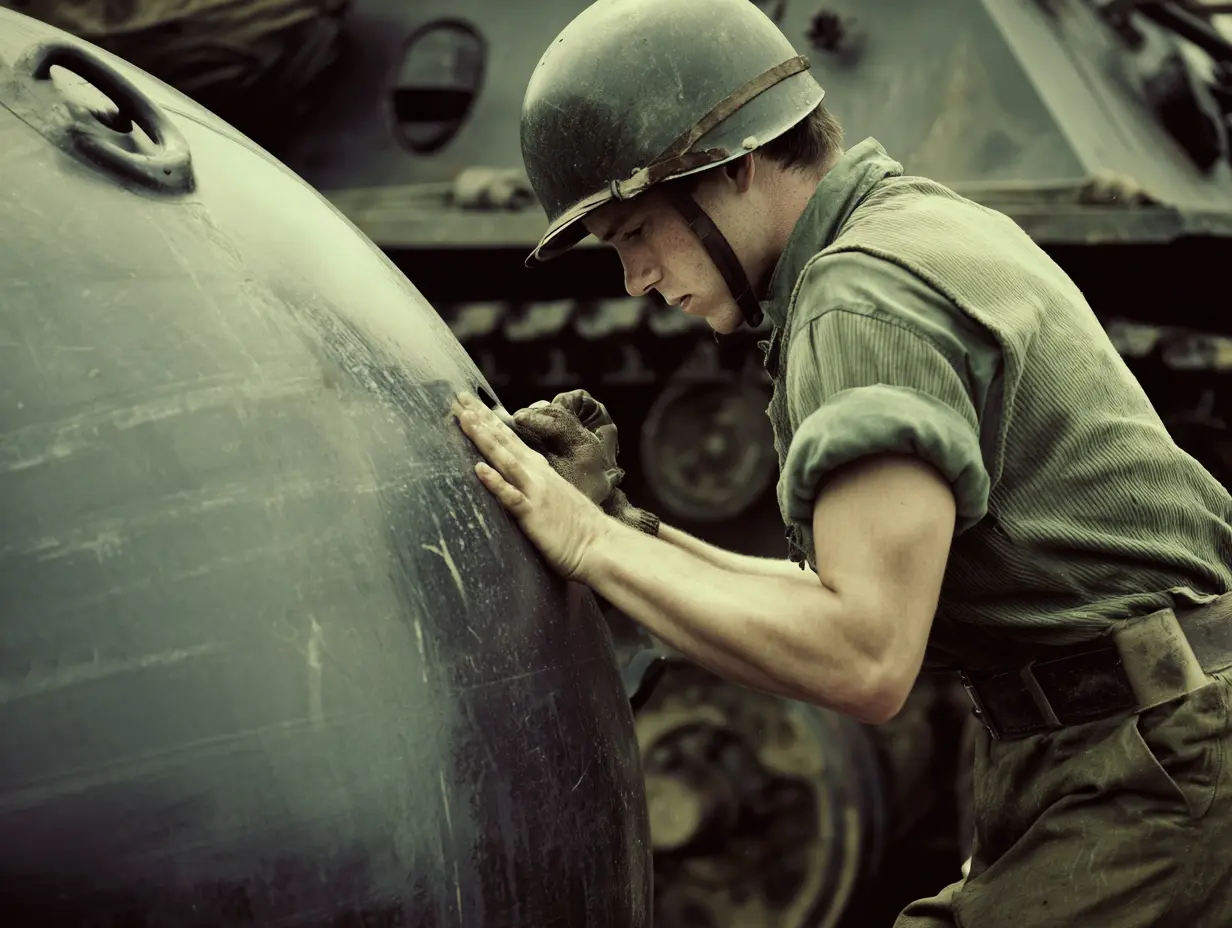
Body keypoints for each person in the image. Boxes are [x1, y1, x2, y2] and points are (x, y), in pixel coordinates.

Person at [451, 0, 1232, 924]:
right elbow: (841, 592)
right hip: (1137, 744)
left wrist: (589, 544)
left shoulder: (858, 300)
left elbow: (864, 656)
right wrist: (631, 536)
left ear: (733, 165)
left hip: (1156, 767)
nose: (636, 281)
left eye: (635, 233)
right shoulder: (911, 222)